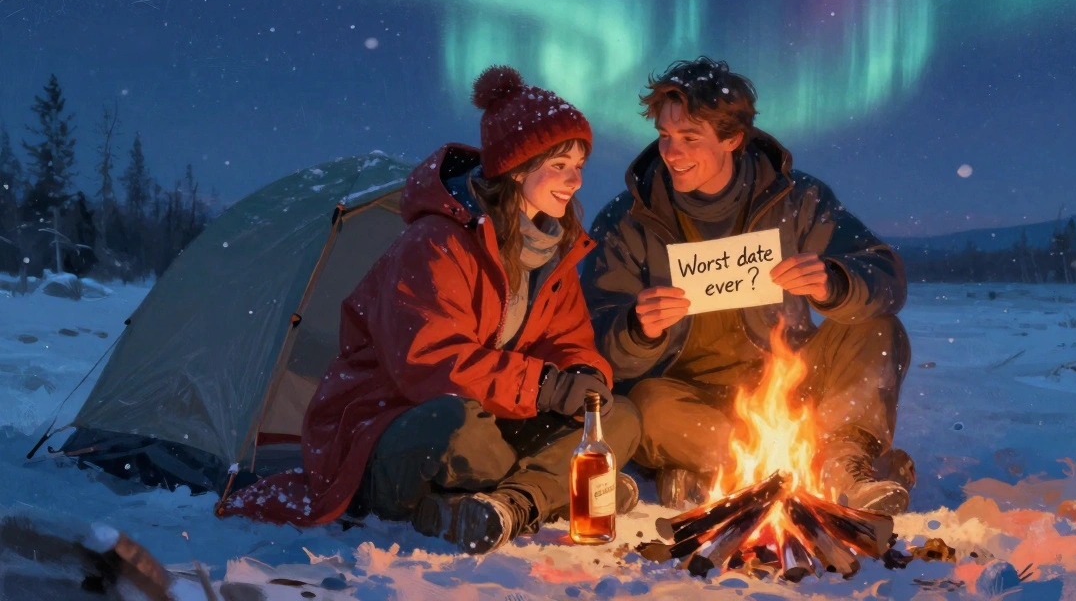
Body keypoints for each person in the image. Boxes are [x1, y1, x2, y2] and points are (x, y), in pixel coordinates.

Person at [222, 66, 641, 553]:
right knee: (458, 428)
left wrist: (583, 376)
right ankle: (557, 490)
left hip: (496, 418)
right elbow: (430, 363)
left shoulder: (556, 249)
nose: (576, 180)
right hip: (392, 429)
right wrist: (546, 386)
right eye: (560, 165)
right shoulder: (436, 242)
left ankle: (510, 503)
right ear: (519, 168)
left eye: (580, 165)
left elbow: (567, 341)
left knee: (618, 416)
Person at [582, 57, 914, 514]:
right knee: (648, 407)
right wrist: (636, 328)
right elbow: (592, 335)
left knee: (876, 329)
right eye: (665, 137)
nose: (671, 153)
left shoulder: (796, 200)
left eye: (689, 138)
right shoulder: (630, 218)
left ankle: (841, 462)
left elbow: (884, 275)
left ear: (733, 139)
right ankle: (779, 467)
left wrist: (835, 281)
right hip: (689, 398)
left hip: (790, 382)